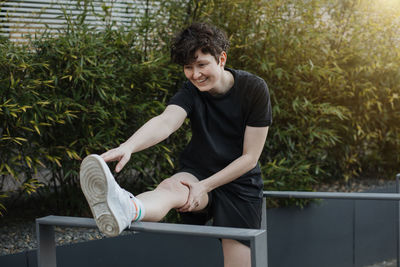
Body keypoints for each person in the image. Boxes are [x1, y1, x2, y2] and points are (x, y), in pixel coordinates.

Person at [79, 22, 272, 267]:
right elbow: (167, 121)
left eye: (202, 65)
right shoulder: (191, 90)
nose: (195, 74)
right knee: (171, 188)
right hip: (198, 170)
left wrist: (205, 186)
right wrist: (128, 146)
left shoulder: (254, 89)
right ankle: (127, 208)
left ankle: (127, 206)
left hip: (240, 184)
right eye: (188, 67)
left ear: (221, 58)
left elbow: (250, 158)